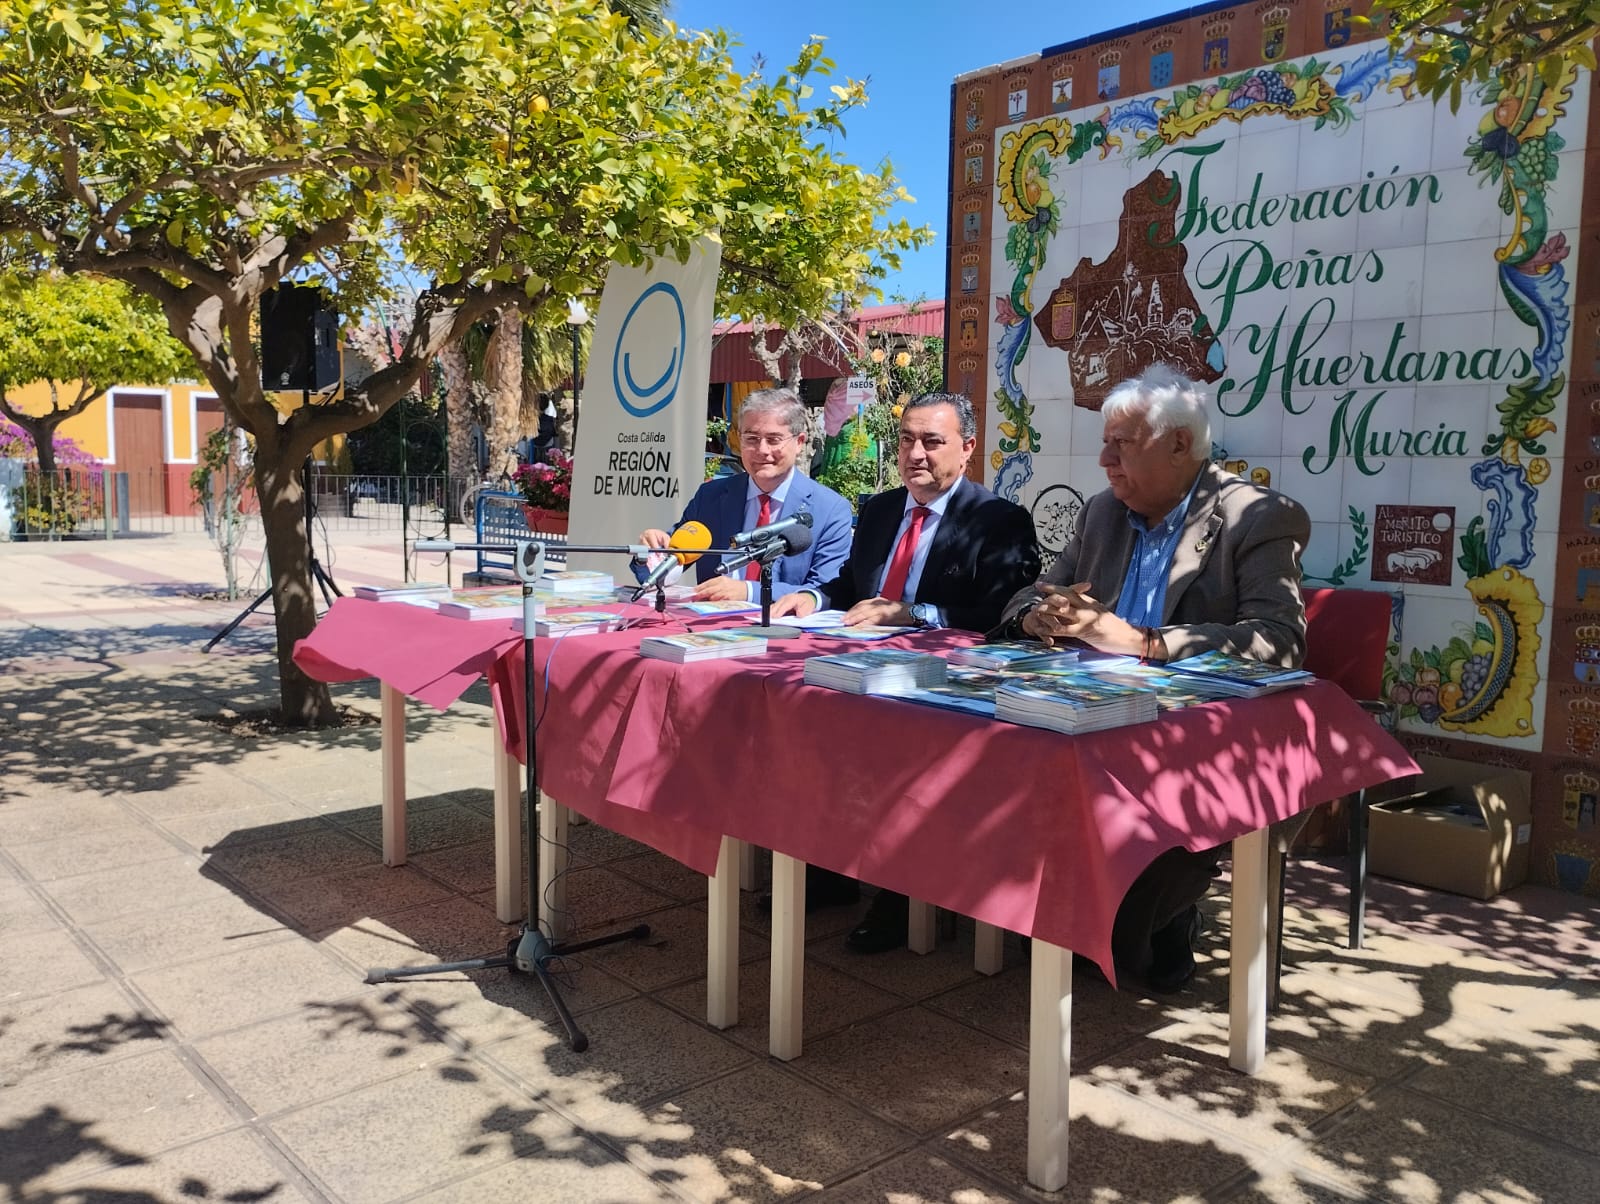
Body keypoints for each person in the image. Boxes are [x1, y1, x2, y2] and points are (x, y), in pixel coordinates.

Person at [994, 363, 1310, 992]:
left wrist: (1145, 643)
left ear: (1181, 445)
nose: (1106, 459)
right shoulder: (1104, 514)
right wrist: (1039, 619)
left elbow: (1279, 644)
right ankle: (1078, 913)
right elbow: (1029, 596)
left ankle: (1145, 916)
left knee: (1121, 915)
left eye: (1123, 443)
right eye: (1105, 441)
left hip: (1193, 733)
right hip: (1090, 713)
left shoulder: (1260, 516)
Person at [773, 391, 1041, 951]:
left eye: (932, 442)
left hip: (937, 682)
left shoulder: (999, 520)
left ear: (967, 449)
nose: (915, 454)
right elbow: (850, 587)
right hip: (858, 669)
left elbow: (1002, 615)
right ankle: (829, 868)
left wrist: (916, 614)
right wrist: (811, 596)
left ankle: (903, 896)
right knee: (800, 727)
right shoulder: (880, 509)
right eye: (906, 440)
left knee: (898, 753)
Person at [638, 388, 853, 602]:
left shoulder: (830, 510)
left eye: (774, 439)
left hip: (784, 630)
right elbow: (665, 571)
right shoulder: (711, 496)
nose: (762, 450)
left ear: (799, 442)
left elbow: (825, 590)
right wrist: (652, 557)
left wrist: (749, 592)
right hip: (709, 628)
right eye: (751, 438)